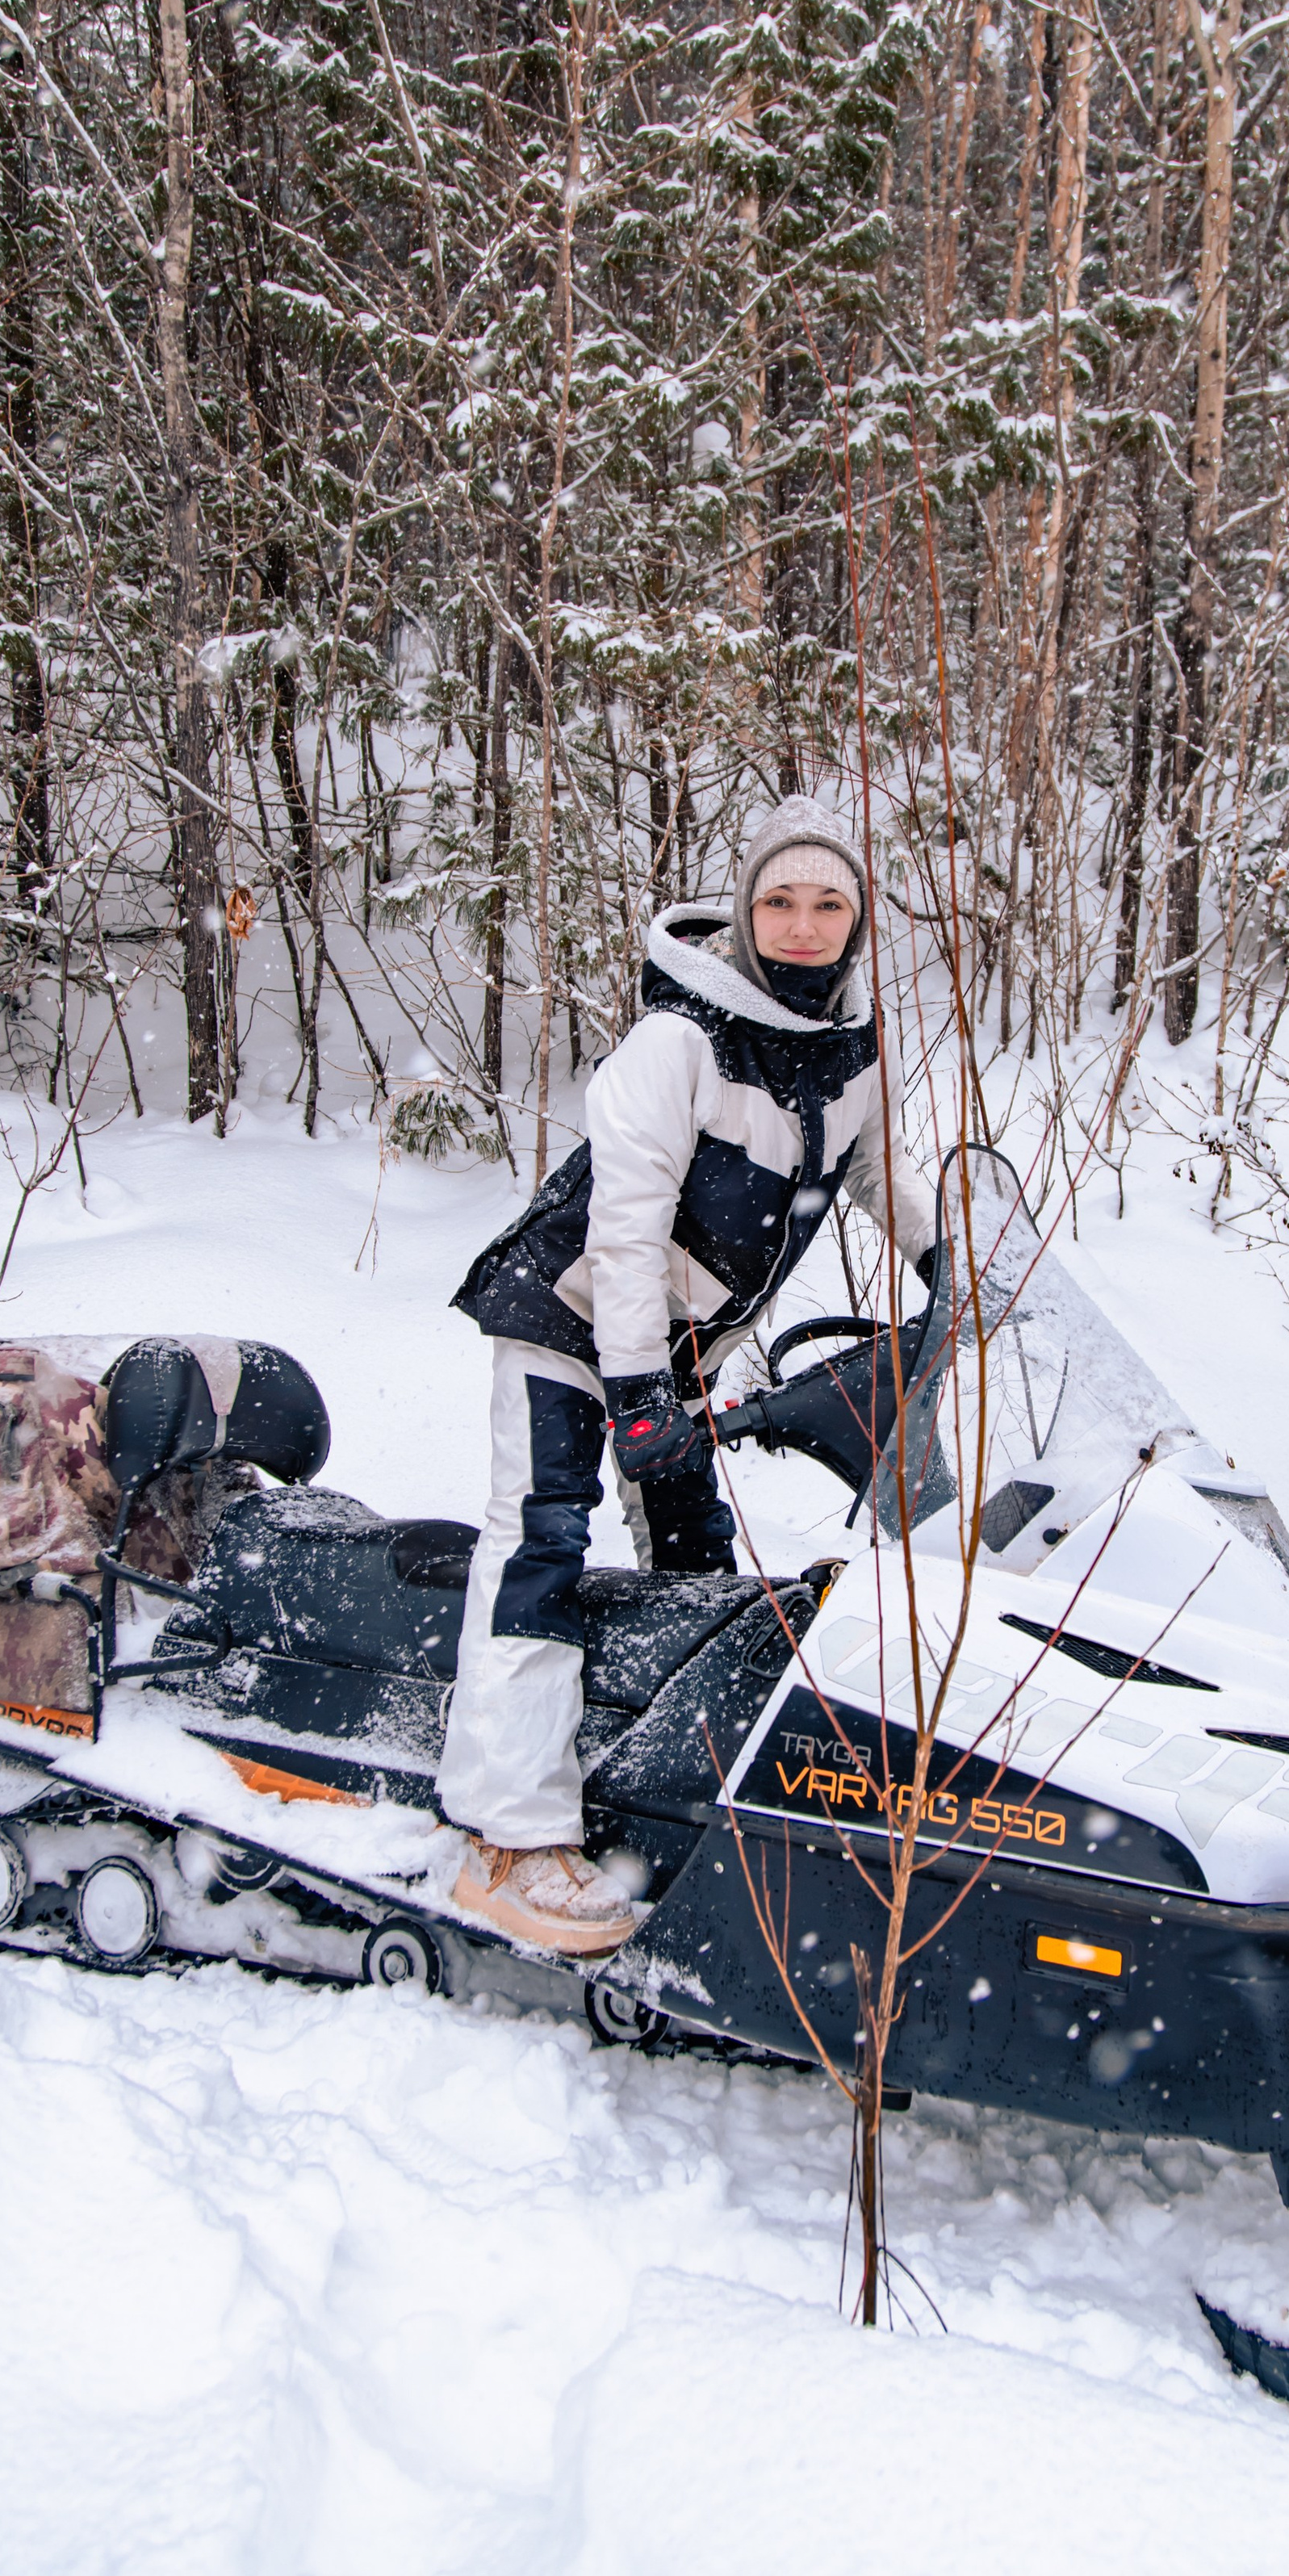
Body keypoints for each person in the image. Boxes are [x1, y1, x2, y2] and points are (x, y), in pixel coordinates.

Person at [442, 794, 940, 1954]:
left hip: (672, 1341)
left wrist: (960, 1262)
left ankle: (667, 1790)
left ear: (860, 920)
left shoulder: (850, 1051)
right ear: (747, 914)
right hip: (573, 1310)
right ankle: (506, 1838)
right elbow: (621, 1232)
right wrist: (636, 1399)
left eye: (830, 904)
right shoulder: (681, 1041)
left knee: (693, 1548)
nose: (805, 925)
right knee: (541, 1534)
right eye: (781, 901)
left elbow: (880, 1174)